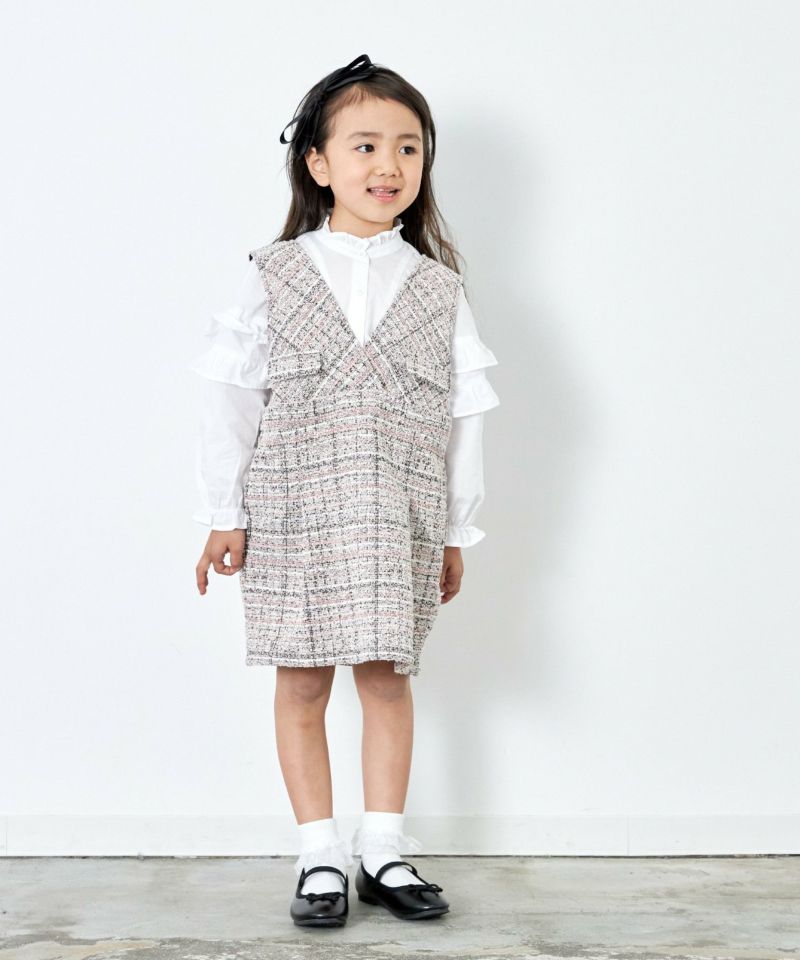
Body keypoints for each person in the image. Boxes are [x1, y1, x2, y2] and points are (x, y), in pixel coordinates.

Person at [190, 54, 500, 927]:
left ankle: (383, 850)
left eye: (408, 147)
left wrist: (455, 529)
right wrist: (222, 513)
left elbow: (466, 415)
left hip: (397, 514)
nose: (388, 165)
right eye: (365, 145)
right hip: (291, 509)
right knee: (300, 683)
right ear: (318, 163)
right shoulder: (275, 272)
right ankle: (318, 852)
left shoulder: (438, 288)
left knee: (388, 677)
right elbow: (231, 397)